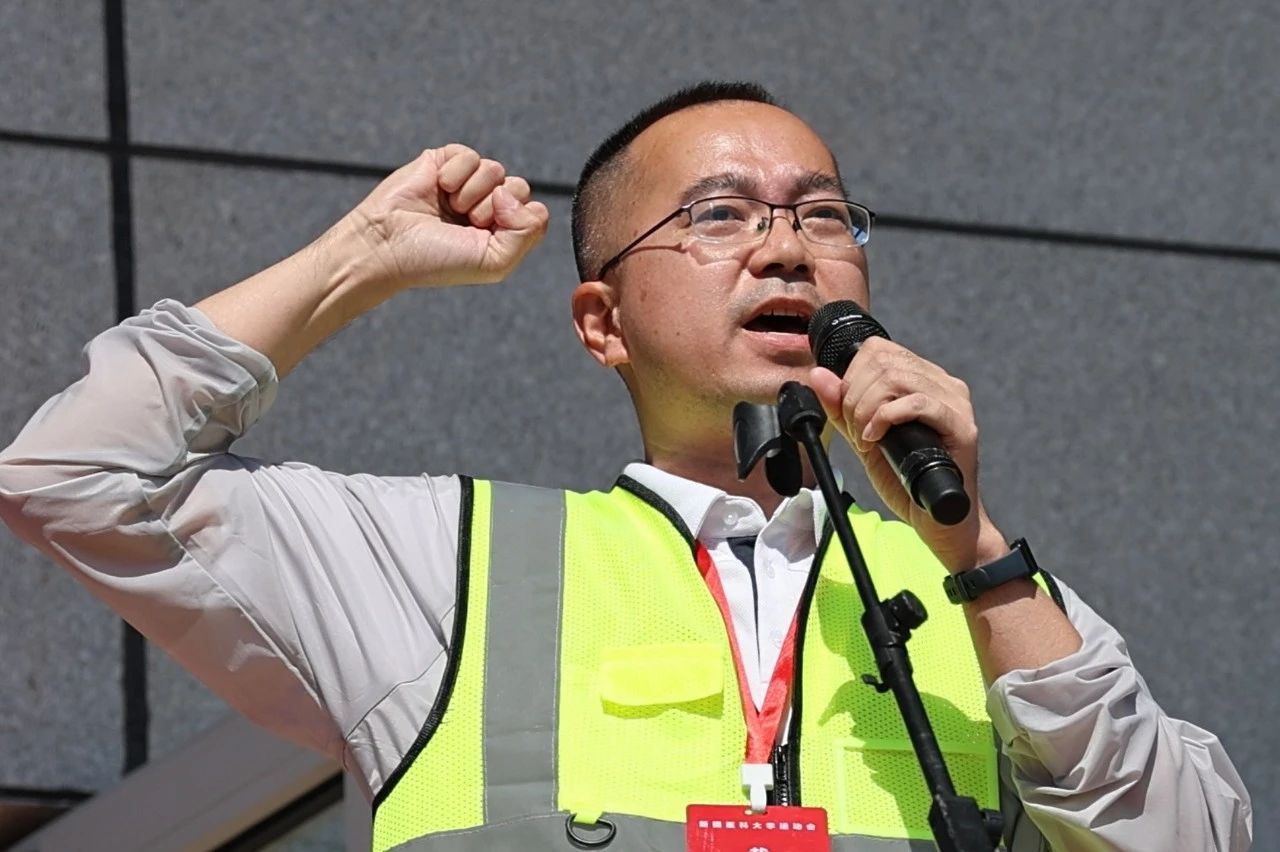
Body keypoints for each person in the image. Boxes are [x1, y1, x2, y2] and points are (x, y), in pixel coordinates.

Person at [0, 82, 1251, 850]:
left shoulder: (989, 602)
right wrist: (359, 257)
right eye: (718, 214)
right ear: (601, 323)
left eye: (822, 216)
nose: (785, 250)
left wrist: (971, 547)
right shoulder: (444, 565)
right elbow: (72, 474)